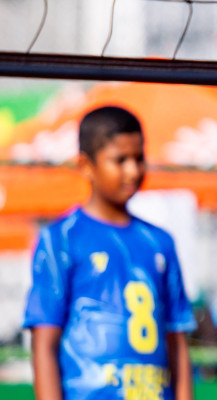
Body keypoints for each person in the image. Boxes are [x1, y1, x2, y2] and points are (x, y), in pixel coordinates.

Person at [24, 105, 195, 400]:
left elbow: (176, 341)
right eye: (120, 160)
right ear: (86, 166)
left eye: (139, 158)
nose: (133, 170)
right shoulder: (61, 239)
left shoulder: (160, 242)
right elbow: (44, 342)